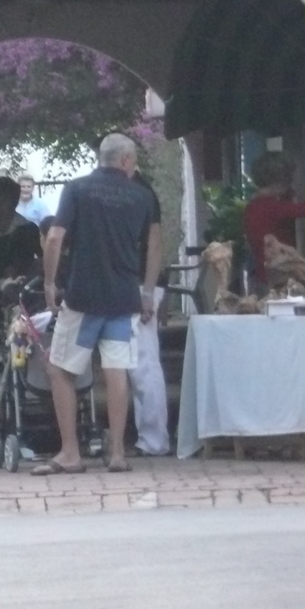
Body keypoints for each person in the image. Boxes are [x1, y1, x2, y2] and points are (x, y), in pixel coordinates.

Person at [33, 133, 161, 475]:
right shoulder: (142, 196)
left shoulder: (76, 189)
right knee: (116, 371)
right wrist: (147, 292)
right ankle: (117, 452)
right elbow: (153, 245)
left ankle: (70, 453)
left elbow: (55, 236)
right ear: (125, 160)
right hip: (124, 298)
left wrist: (49, 282)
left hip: (83, 297)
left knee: (60, 370)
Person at [0, 176, 42, 391]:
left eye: (3, 201)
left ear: (14, 202)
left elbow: (37, 260)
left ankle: (20, 387)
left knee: (18, 342)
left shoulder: (27, 229)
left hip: (18, 296)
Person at [243, 153, 305, 290]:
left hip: (262, 274)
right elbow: (301, 209)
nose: (291, 182)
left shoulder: (254, 205)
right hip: (275, 277)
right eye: (288, 179)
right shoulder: (270, 206)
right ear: (278, 180)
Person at [128, 171, 171, 456]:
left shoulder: (138, 194)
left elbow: (154, 244)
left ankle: (154, 438)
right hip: (140, 282)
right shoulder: (142, 192)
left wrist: (147, 291)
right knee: (140, 362)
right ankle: (149, 435)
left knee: (143, 362)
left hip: (140, 283)